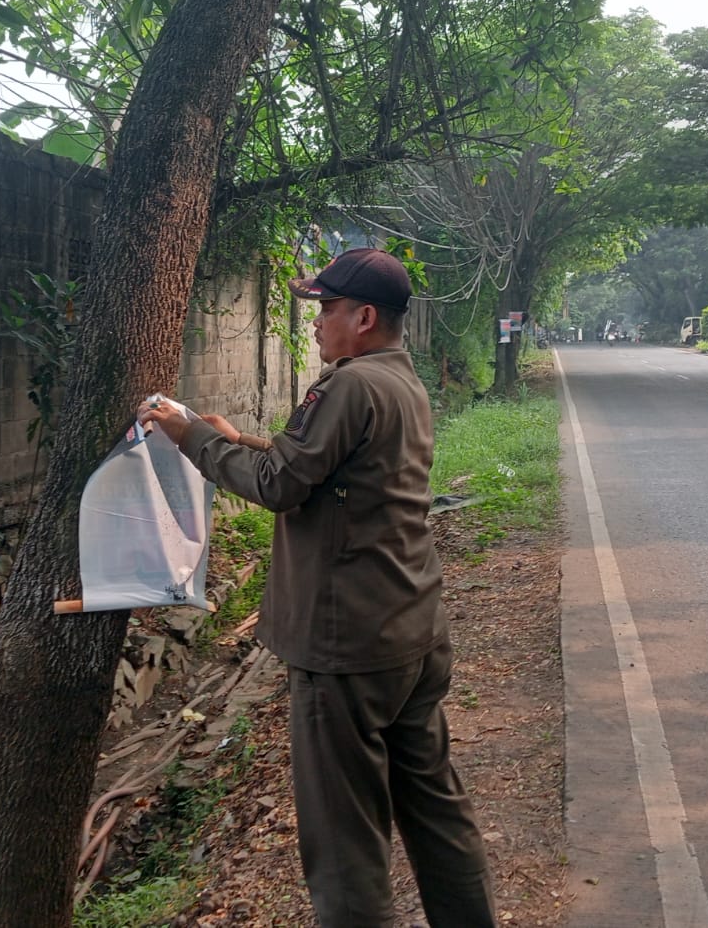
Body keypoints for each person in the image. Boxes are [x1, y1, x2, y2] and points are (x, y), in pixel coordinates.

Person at [138, 248, 496, 928]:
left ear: (363, 317)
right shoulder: (400, 382)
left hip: (349, 647)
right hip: (412, 629)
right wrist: (238, 437)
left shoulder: (346, 386)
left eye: (326, 309)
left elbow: (280, 487)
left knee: (344, 842)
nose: (315, 324)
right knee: (435, 810)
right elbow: (331, 466)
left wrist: (189, 437)